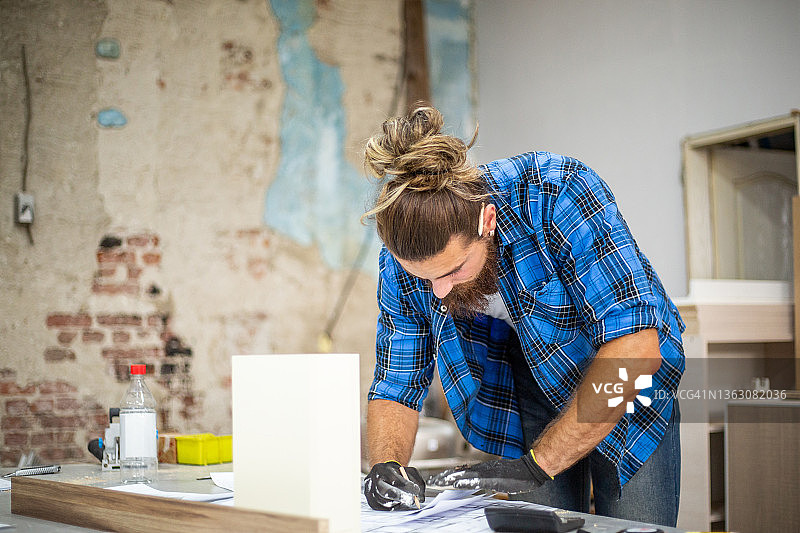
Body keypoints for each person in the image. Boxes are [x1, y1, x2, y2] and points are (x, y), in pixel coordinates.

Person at [361, 106, 685, 527]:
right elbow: (396, 381)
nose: (438, 290)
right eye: (424, 278)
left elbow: (635, 350)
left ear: (487, 221)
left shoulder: (559, 192)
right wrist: (385, 465)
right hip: (526, 385)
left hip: (628, 382)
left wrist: (537, 466)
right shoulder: (405, 259)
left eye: (453, 271)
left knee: (633, 526)